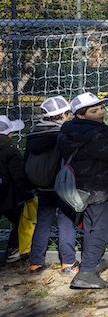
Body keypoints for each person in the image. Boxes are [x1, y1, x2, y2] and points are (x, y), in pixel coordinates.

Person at [58, 92, 108, 289]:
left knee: (90, 226)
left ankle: (92, 262)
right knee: (103, 229)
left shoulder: (70, 130)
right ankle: (86, 272)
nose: (101, 113)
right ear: (80, 115)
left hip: (81, 188)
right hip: (98, 188)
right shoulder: (94, 134)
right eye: (94, 110)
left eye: (101, 109)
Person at [26, 96, 79, 275]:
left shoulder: (33, 132)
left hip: (41, 185)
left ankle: (36, 262)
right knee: (66, 222)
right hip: (61, 184)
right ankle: (68, 263)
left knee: (43, 222)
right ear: (64, 114)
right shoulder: (63, 133)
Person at [0, 115, 28, 264]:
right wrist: (27, 193)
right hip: (9, 198)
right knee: (21, 221)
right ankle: (13, 249)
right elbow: (18, 176)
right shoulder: (11, 152)